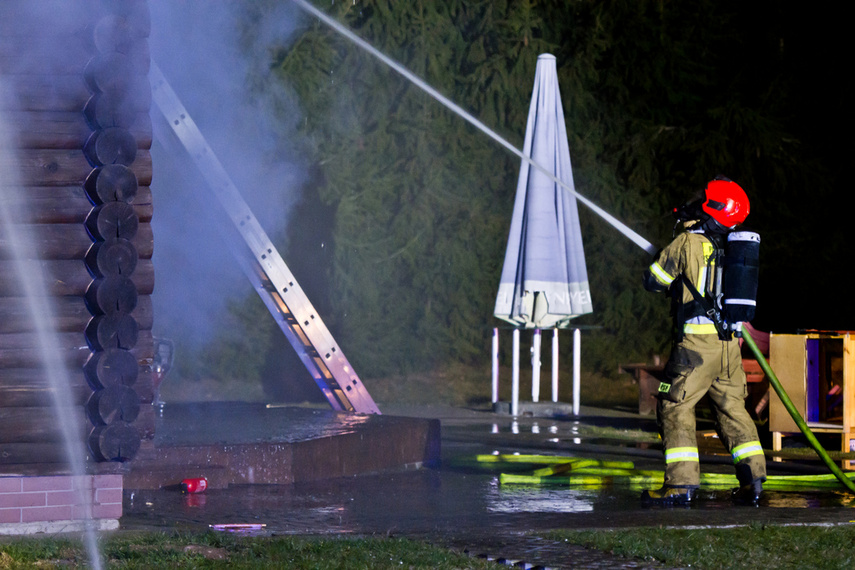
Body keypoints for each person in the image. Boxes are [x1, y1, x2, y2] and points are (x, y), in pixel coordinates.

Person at [641, 176, 766, 506]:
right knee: (732, 410)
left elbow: (654, 281)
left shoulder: (687, 243)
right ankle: (753, 481)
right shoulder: (736, 248)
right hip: (729, 347)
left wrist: (665, 260)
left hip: (695, 349)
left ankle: (680, 485)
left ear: (711, 207)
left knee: (674, 406)